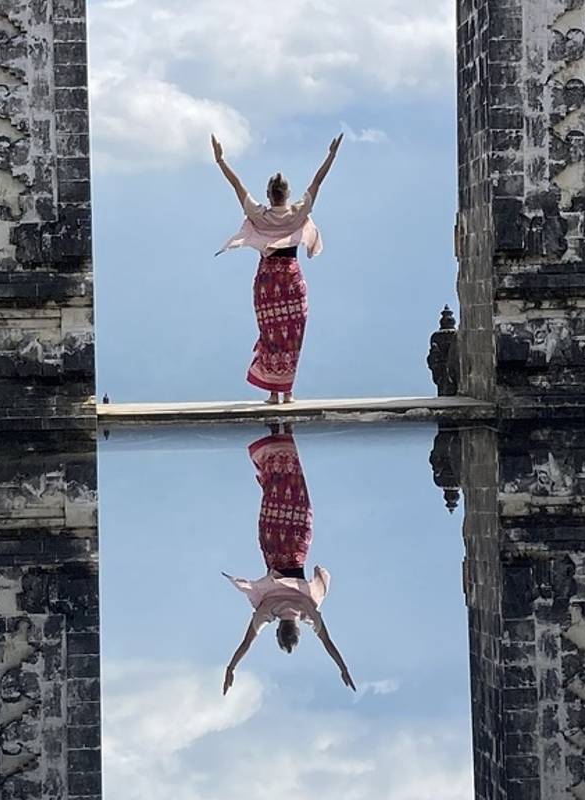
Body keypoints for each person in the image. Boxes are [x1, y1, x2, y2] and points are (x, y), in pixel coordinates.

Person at [221, 426, 355, 695]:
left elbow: (328, 643)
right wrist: (230, 668)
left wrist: (343, 667)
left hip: (297, 542)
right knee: (273, 492)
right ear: (277, 632)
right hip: (272, 543)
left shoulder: (309, 612)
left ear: (298, 631)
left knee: (296, 493)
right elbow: (246, 644)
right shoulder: (266, 612)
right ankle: (275, 441)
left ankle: (286, 437)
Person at [212, 134, 343, 404]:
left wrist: (220, 159)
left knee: (270, 334)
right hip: (292, 279)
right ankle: (289, 391)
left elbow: (237, 185)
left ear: (269, 194)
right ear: (287, 194)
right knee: (292, 335)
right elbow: (318, 182)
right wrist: (331, 155)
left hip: (268, 281)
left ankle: (274, 392)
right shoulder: (298, 212)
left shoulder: (259, 214)